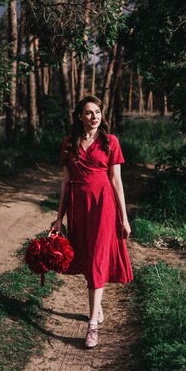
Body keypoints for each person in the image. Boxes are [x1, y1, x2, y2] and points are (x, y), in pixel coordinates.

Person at [51, 95, 133, 349]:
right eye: (88, 112)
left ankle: (92, 325)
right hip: (78, 208)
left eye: (97, 112)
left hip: (103, 207)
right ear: (79, 117)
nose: (94, 116)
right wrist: (58, 218)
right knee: (88, 258)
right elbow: (65, 183)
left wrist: (124, 217)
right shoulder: (68, 144)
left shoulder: (110, 142)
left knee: (98, 258)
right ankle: (97, 309)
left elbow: (117, 183)